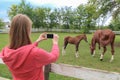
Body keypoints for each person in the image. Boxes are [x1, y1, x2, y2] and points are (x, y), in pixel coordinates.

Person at [0, 14, 59, 80]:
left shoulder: (6, 52)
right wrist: (55, 43)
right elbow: (53, 57)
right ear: (27, 30)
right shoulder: (35, 53)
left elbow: (23, 51)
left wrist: (37, 41)